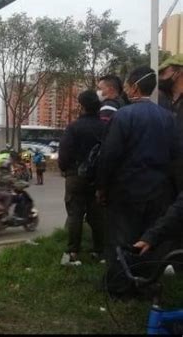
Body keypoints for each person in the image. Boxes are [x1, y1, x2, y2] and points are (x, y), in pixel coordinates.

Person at [96, 66, 179, 295]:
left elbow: (109, 156)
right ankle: (145, 285)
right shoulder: (169, 118)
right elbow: (175, 157)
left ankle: (119, 287)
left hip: (126, 190)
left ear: (133, 86)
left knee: (120, 240)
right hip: (159, 191)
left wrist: (102, 187)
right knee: (149, 241)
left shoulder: (123, 115)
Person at [58, 90, 106, 265]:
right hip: (97, 178)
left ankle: (73, 253)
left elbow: (64, 154)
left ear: (82, 106)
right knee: (97, 216)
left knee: (75, 215)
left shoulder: (73, 127)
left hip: (75, 176)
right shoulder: (105, 127)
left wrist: (65, 169)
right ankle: (100, 252)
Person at [158, 54, 183, 194]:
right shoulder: (159, 98)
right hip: (161, 170)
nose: (160, 78)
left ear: (178, 73)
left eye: (163, 73)